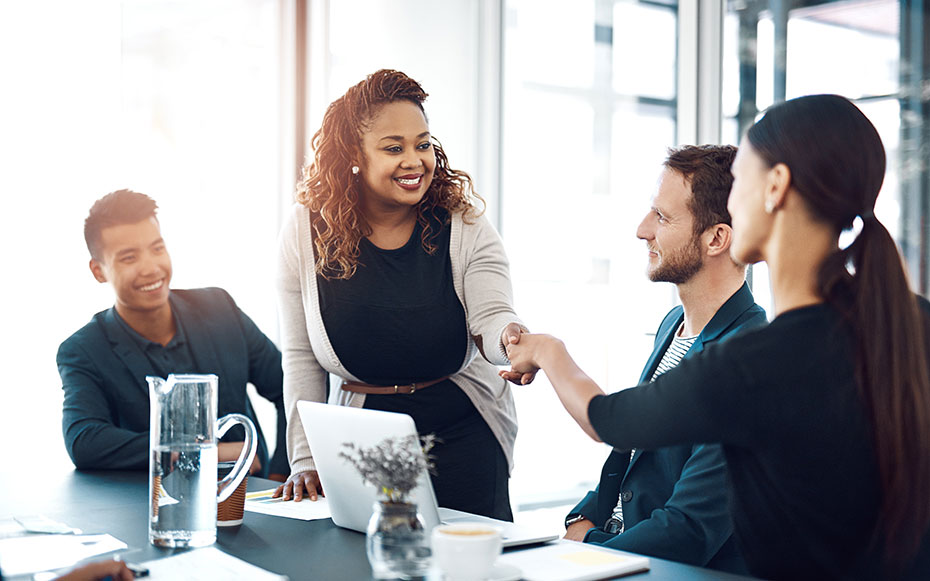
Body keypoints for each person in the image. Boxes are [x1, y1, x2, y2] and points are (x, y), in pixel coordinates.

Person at [506, 94, 930, 579]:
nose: (730, 203)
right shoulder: (907, 324)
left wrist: (547, 351)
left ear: (775, 186)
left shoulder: (756, 361)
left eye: (739, 183)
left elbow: (610, 420)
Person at [274, 69, 533, 520]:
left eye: (423, 144)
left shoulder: (464, 222)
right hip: (362, 434)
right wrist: (305, 457)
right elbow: (301, 356)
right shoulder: (303, 231)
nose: (414, 161)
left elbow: (492, 315)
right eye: (394, 148)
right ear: (355, 155)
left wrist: (512, 339)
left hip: (465, 426)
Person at [560, 145, 765, 573]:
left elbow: (689, 530)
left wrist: (590, 549)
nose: (641, 230)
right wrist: (583, 516)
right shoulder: (674, 324)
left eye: (662, 217)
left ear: (716, 238)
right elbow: (635, 453)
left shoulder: (748, 357)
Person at [57, 190, 288, 480]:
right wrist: (203, 452)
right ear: (99, 271)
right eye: (129, 258)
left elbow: (290, 389)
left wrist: (280, 475)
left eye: (157, 249)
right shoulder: (84, 349)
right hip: (155, 507)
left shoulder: (220, 310)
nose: (151, 268)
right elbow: (84, 441)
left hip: (246, 500)